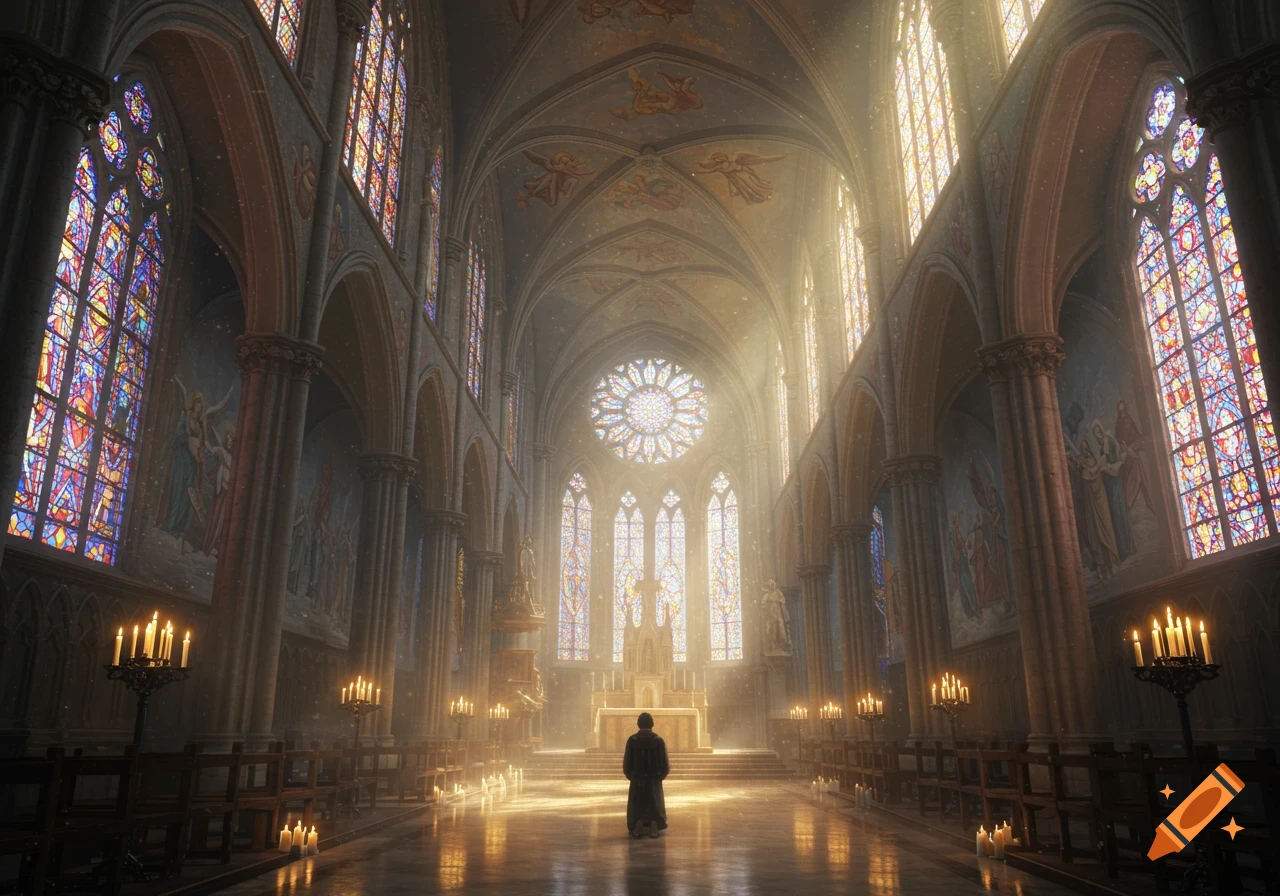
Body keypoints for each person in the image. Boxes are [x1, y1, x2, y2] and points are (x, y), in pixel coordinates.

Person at [623, 712, 669, 838]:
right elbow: (665, 764)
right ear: (652, 724)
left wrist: (632, 776)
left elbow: (627, 762)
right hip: (654, 778)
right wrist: (658, 777)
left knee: (638, 802)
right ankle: (654, 824)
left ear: (638, 724)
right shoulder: (658, 741)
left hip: (637, 778)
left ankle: (638, 823)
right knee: (654, 801)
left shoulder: (632, 740)